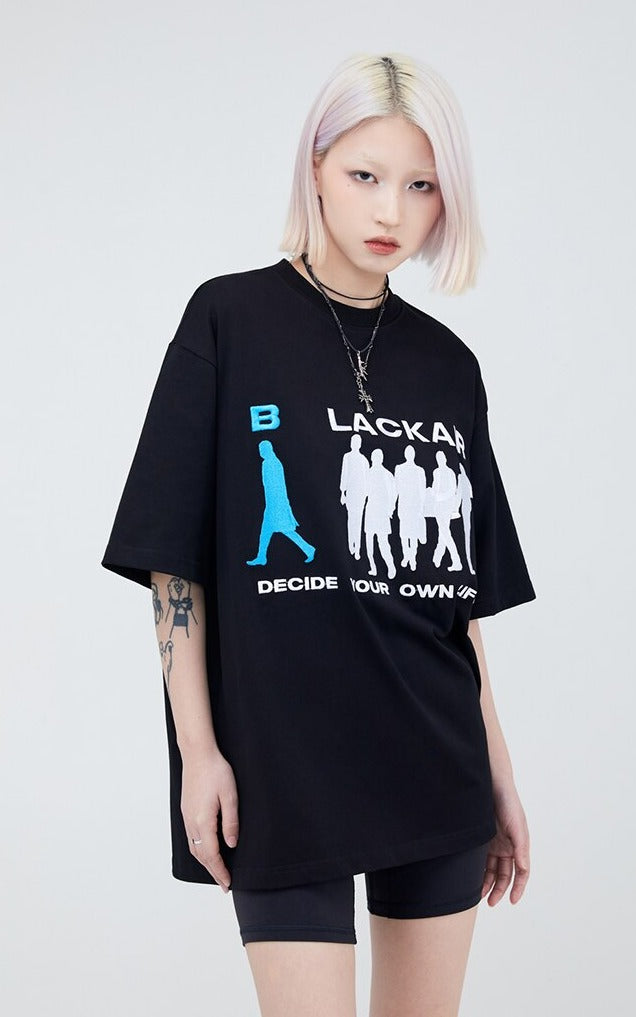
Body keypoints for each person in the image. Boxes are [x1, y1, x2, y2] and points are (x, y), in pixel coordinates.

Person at [101, 51, 537, 1017]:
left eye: (421, 185)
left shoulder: (449, 366)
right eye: (365, 175)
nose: (391, 211)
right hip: (280, 765)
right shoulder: (228, 319)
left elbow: (456, 602)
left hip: (436, 761)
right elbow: (175, 565)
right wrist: (199, 752)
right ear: (315, 169)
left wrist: (500, 777)